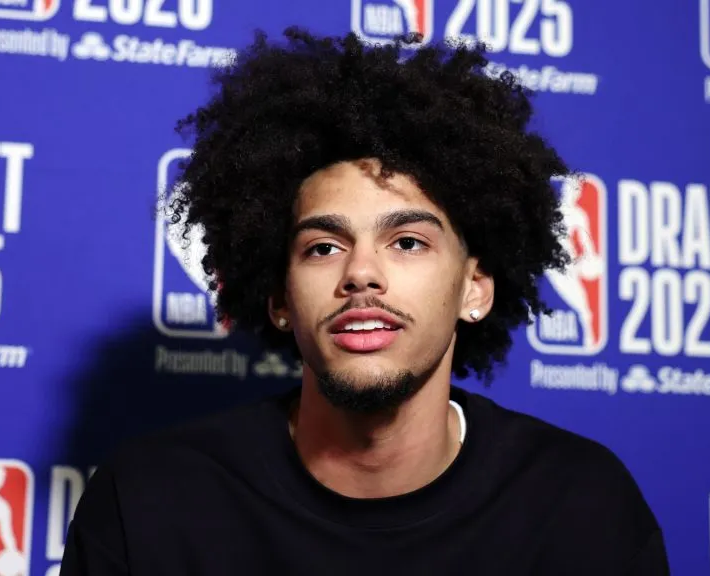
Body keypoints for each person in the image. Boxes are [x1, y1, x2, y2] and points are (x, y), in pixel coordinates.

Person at [60, 27, 669, 575]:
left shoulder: (581, 505)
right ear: (277, 298)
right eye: (324, 247)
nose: (362, 274)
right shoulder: (149, 502)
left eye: (407, 241)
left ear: (475, 288)